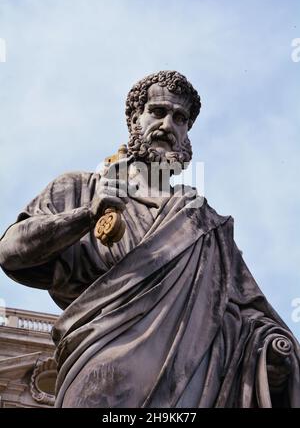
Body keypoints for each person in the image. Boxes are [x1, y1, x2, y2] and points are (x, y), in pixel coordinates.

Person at [0, 71, 299, 408]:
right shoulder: (82, 187)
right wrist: (85, 216)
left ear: (186, 133)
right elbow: (10, 251)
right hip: (100, 370)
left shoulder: (203, 222)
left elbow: (246, 311)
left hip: (192, 384)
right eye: (157, 112)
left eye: (180, 118)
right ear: (134, 119)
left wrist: (268, 352)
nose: (168, 125)